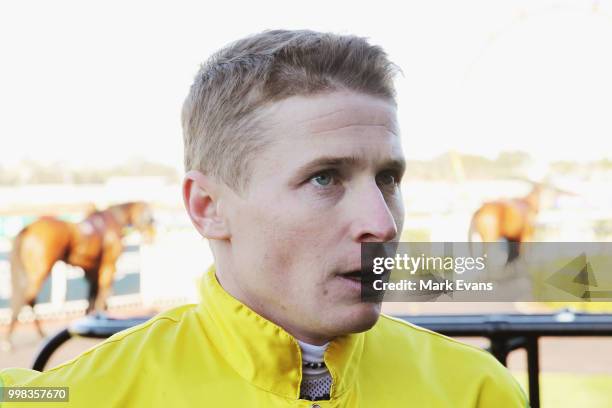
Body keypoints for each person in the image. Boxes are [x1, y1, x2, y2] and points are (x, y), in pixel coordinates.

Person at [0, 29, 529, 407]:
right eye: (325, 177)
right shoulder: (79, 395)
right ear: (208, 209)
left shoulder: (478, 391)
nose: (383, 224)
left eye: (388, 178)